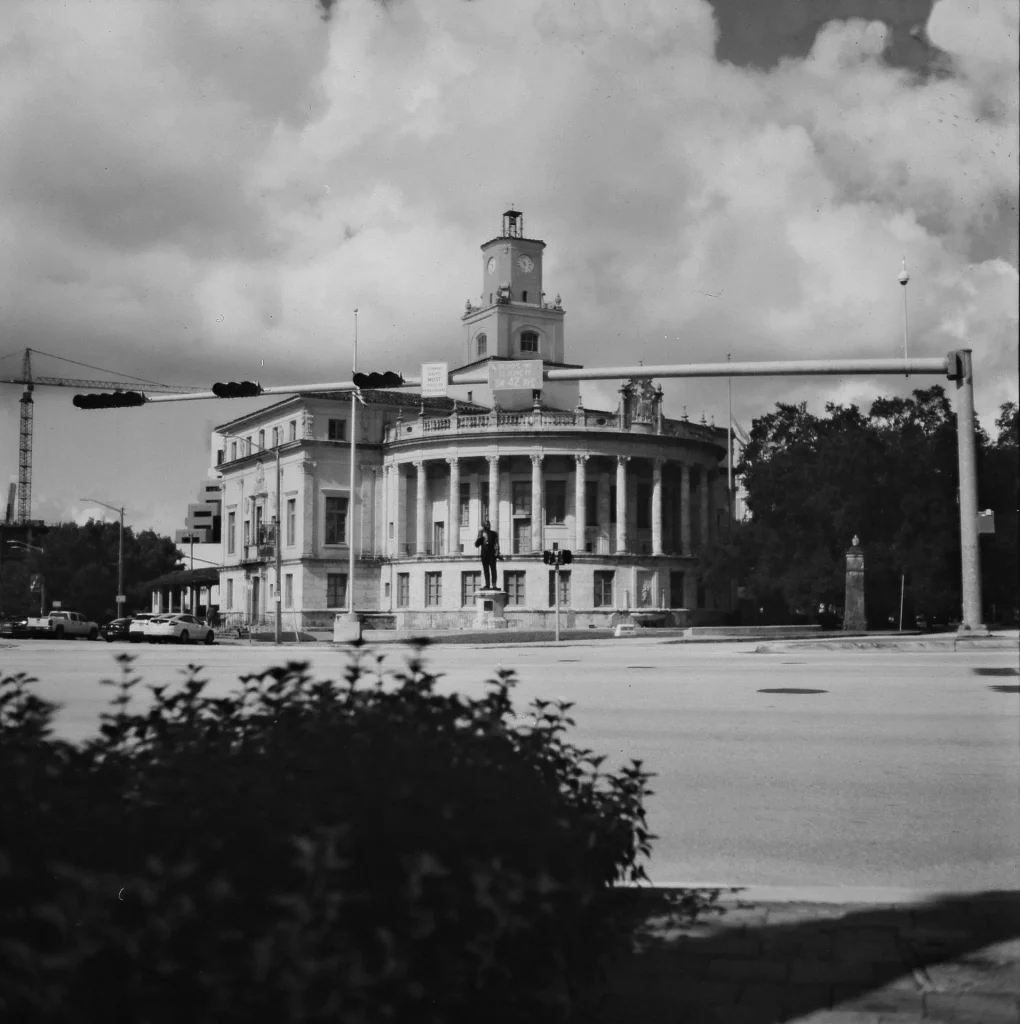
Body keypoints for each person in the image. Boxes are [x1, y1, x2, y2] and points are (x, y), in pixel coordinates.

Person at [474, 518, 501, 590]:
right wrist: (480, 537)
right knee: (486, 570)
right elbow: (476, 545)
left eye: (489, 524)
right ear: (484, 525)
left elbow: (496, 544)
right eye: (486, 524)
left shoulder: (494, 533)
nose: (488, 525)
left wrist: (497, 552)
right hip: (484, 555)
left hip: (492, 554)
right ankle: (487, 585)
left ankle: (494, 585)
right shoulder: (481, 534)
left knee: (493, 570)